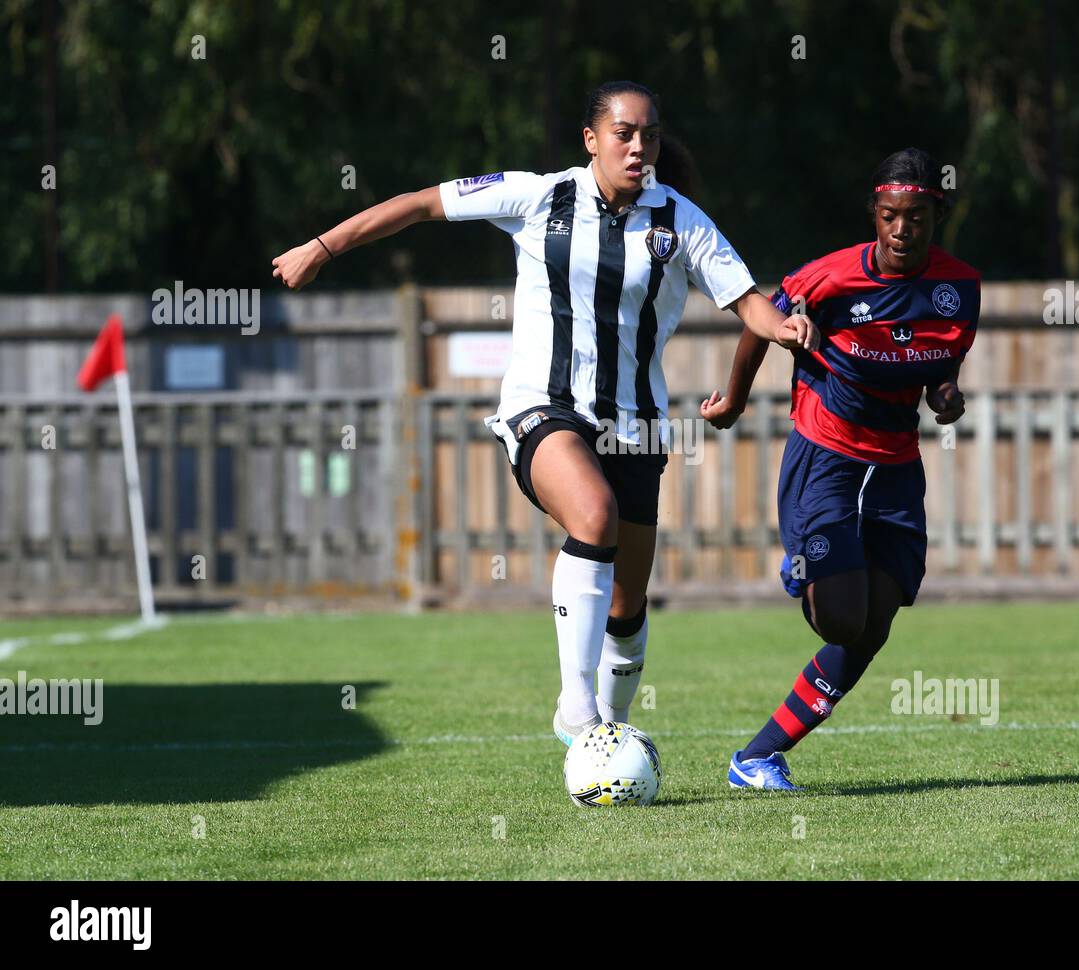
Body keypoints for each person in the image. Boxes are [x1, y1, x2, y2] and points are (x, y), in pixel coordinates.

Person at [271, 80, 817, 752]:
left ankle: (608, 734)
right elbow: (419, 205)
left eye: (648, 133)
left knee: (628, 605)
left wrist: (785, 328)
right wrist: (321, 248)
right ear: (591, 139)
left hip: (637, 427)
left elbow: (748, 302)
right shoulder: (537, 195)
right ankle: (578, 709)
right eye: (623, 132)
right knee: (593, 516)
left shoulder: (681, 220)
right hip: (543, 406)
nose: (638, 145)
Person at [700, 147, 980, 790]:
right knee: (839, 618)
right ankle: (804, 559)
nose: (902, 230)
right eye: (889, 216)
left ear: (935, 213)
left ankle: (758, 757)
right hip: (825, 455)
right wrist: (736, 399)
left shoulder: (959, 286)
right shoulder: (828, 278)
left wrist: (944, 396)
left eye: (915, 217)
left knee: (871, 628)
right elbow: (757, 322)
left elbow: (942, 360)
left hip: (896, 466)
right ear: (874, 215)